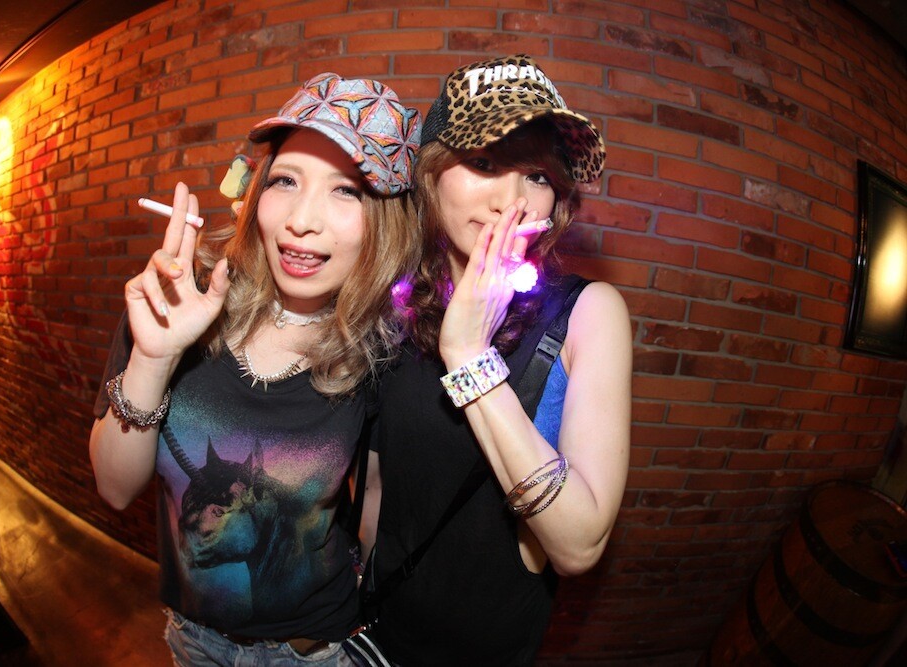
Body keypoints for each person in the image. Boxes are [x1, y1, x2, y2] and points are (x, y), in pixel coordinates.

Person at [89, 72, 421, 666]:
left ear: (385, 222)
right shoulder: (180, 302)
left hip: (316, 649)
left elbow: (373, 497)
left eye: (346, 191)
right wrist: (154, 358)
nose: (302, 218)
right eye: (286, 180)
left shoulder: (382, 350)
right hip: (193, 641)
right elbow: (115, 490)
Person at [365, 54, 632, 665]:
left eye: (536, 176)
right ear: (430, 176)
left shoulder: (587, 315)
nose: (512, 201)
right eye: (484, 163)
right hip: (376, 630)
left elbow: (580, 546)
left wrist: (470, 356)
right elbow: (379, 486)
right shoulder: (395, 305)